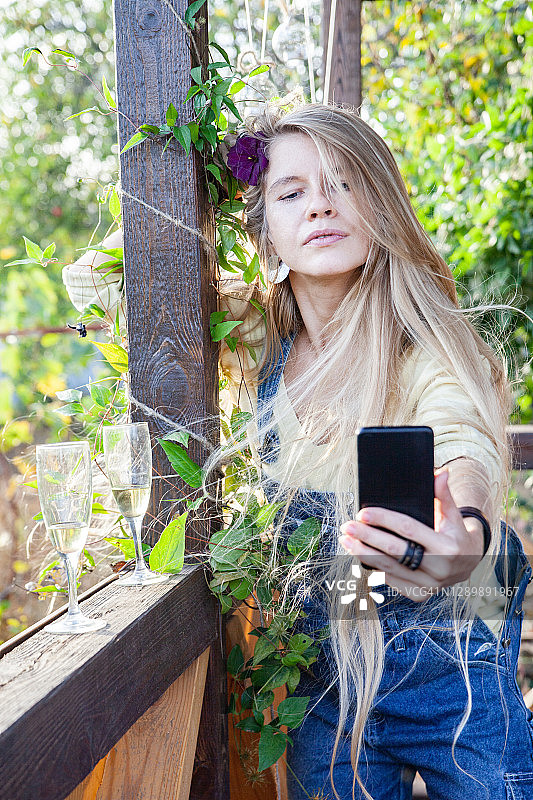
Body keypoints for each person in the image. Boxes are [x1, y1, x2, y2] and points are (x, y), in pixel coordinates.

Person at [63, 102, 533, 800]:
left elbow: (461, 442)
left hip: (456, 665)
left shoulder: (427, 347)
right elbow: (94, 285)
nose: (320, 205)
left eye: (344, 183)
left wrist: (463, 534)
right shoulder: (256, 340)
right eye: (291, 193)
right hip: (328, 679)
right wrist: (213, 176)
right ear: (265, 231)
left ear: (382, 204)